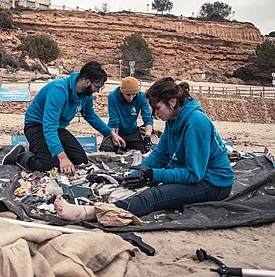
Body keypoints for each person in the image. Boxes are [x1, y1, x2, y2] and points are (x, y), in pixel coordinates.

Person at [54, 77, 234, 222]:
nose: (156, 114)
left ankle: (87, 213)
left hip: (214, 184)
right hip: (198, 176)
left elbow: (195, 174)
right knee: (140, 185)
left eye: (158, 108)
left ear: (172, 102)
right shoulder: (173, 120)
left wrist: (152, 175)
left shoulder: (196, 123)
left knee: (155, 196)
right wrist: (135, 173)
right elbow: (160, 154)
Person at [2, 61, 126, 174]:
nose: (98, 91)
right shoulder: (58, 91)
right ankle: (20, 154)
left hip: (57, 128)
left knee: (80, 160)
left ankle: (40, 149)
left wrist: (110, 133)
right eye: (98, 86)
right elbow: (49, 126)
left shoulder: (86, 95)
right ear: (87, 82)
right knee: (51, 167)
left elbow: (91, 116)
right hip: (36, 125)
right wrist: (62, 157)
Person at [99, 77, 154, 153]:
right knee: (106, 148)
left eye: (134, 94)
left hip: (132, 132)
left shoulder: (141, 97)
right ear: (122, 92)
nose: (130, 98)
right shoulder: (113, 96)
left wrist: (147, 137)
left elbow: (147, 118)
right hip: (115, 131)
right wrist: (116, 142)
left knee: (144, 148)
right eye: (128, 95)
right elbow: (114, 120)